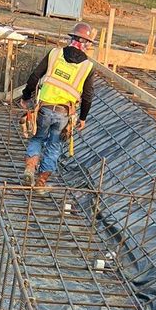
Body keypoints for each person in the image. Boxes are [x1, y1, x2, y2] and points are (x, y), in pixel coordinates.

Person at [19, 22, 96, 190]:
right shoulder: (87, 67)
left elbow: (34, 76)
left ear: (72, 38)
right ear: (87, 43)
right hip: (64, 114)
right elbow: (88, 96)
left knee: (37, 138)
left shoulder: (55, 54)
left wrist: (26, 96)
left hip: (44, 109)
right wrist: (83, 118)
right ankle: (41, 182)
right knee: (54, 145)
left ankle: (30, 169)